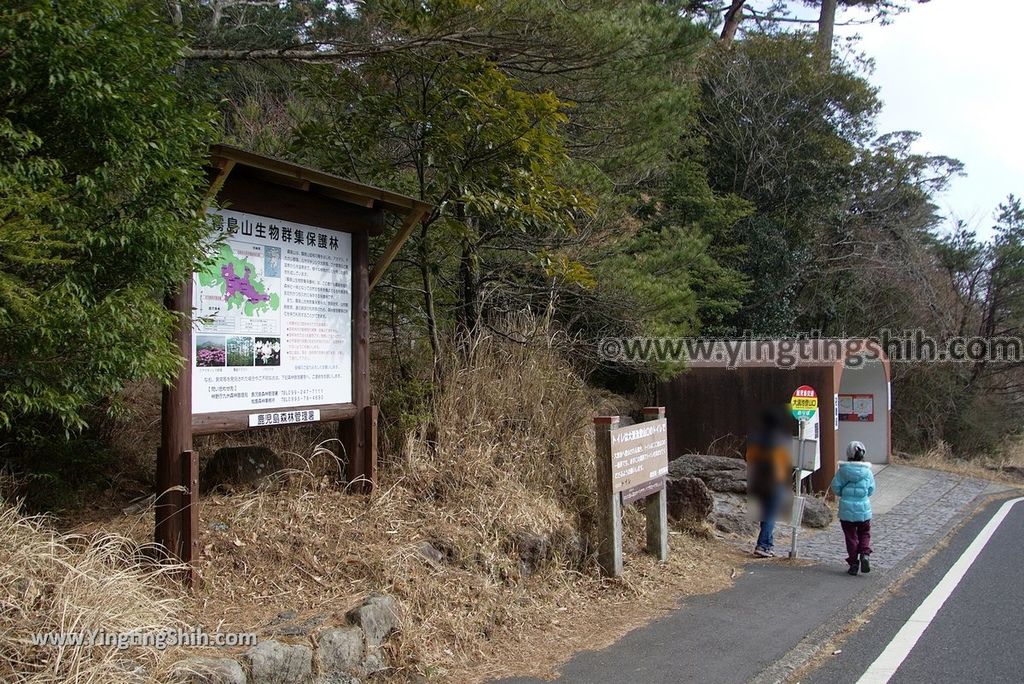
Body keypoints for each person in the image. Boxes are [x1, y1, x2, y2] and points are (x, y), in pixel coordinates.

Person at [745, 408, 792, 558]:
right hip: (775, 482)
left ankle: (768, 545)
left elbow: (750, 458)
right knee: (771, 514)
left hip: (758, 481)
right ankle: (763, 545)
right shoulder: (781, 440)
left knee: (765, 513)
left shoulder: (756, 439)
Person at [831, 441, 876, 576]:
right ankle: (865, 554)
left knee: (851, 537)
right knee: (865, 532)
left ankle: (853, 563)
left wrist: (844, 494)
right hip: (863, 509)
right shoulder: (867, 472)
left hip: (846, 509)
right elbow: (871, 489)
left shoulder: (842, 471)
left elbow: (836, 488)